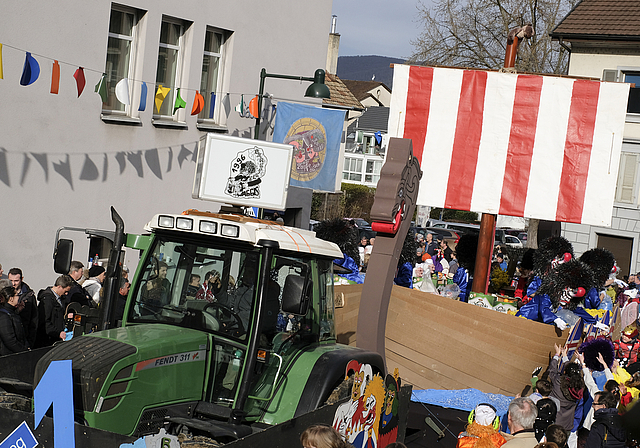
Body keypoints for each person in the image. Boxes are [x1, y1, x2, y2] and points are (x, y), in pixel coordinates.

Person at [35, 275, 74, 348]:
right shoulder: (47, 300)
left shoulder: (61, 298)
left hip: (56, 337)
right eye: (65, 291)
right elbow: (44, 322)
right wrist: (58, 333)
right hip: (47, 340)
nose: (66, 294)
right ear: (59, 286)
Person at [8, 267, 38, 348]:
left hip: (25, 336)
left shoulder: (29, 296)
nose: (13, 284)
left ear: (22, 279)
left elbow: (34, 319)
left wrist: (31, 341)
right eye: (11, 280)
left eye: (16, 281)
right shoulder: (5, 295)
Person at [0, 285, 30, 354]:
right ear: (11, 299)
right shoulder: (4, 315)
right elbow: (9, 340)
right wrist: (24, 351)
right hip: (10, 357)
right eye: (17, 295)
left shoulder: (13, 312)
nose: (19, 297)